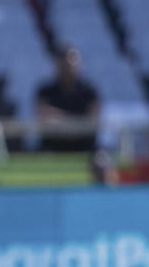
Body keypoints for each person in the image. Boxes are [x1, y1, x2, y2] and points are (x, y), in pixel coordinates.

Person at [34, 46, 110, 182]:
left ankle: (102, 200)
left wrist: (60, 118)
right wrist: (79, 120)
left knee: (102, 161)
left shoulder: (89, 91)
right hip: (53, 145)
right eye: (64, 63)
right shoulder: (45, 90)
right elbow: (44, 118)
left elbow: (93, 121)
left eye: (72, 62)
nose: (68, 67)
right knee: (35, 161)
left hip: (85, 146)